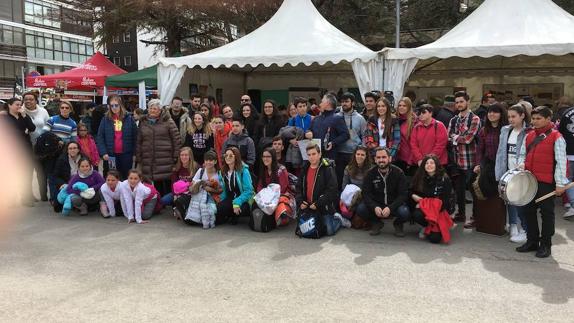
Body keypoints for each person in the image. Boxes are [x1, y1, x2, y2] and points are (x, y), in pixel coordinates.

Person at [516, 106, 569, 258]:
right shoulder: (530, 135)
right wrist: (521, 164)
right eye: (533, 118)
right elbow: (522, 154)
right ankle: (532, 241)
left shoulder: (557, 137)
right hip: (529, 180)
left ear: (548, 119)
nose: (535, 121)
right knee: (528, 211)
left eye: (539, 118)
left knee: (547, 214)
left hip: (546, 182)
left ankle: (546, 244)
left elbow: (561, 162)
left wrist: (560, 184)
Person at [495, 104, 530, 242]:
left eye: (514, 116)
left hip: (522, 172)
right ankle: (513, 225)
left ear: (522, 116)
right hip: (508, 171)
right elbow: (500, 152)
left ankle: (525, 228)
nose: (510, 119)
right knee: (510, 199)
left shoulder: (529, 131)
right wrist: (499, 172)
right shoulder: (505, 130)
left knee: (522, 200)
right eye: (509, 116)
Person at [296, 144, 348, 236]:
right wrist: (300, 201)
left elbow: (332, 190)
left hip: (323, 207)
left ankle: (338, 219)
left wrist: (318, 203)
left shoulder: (327, 168)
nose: (311, 157)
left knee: (329, 231)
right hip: (308, 207)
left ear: (319, 154)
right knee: (305, 230)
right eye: (309, 155)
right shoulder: (304, 168)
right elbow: (298, 188)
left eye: (314, 154)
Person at [469, 103, 508, 228]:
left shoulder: (507, 129)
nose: (491, 114)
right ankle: (478, 217)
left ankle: (503, 221)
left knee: (503, 193)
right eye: (490, 112)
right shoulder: (484, 130)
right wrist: (478, 164)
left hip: (503, 166)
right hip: (488, 164)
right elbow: (480, 149)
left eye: (495, 112)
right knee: (475, 186)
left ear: (501, 114)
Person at [360, 147, 410, 237]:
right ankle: (376, 222)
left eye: (384, 157)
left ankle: (398, 224)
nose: (381, 160)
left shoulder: (399, 173)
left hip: (394, 204)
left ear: (389, 158)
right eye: (378, 158)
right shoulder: (369, 173)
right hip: (377, 205)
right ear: (375, 159)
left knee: (404, 212)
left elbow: (403, 195)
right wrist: (374, 206)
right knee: (361, 209)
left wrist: (390, 207)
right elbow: (365, 194)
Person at [136, 99, 182, 196]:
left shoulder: (168, 121)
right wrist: (138, 156)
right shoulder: (143, 122)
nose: (152, 110)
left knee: (166, 182)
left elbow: (176, 140)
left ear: (160, 110)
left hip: (165, 158)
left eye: (155, 109)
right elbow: (139, 141)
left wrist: (176, 156)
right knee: (153, 182)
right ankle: (158, 203)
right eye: (151, 108)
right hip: (149, 157)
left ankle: (168, 203)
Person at [447, 91, 481, 223]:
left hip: (471, 160)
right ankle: (461, 214)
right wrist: (457, 138)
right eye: (457, 102)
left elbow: (468, 139)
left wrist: (455, 137)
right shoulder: (453, 119)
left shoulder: (475, 119)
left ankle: (476, 216)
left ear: (467, 102)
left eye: (461, 101)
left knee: (473, 190)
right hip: (457, 160)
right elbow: (448, 137)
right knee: (459, 191)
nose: (459, 104)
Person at [410, 155, 454, 243]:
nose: (429, 165)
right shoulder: (419, 177)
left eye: (432, 163)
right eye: (426, 163)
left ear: (437, 165)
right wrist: (413, 195)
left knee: (435, 239)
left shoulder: (444, 179)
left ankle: (438, 226)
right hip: (425, 209)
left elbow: (446, 201)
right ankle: (426, 226)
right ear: (423, 165)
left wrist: (422, 202)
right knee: (417, 214)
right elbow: (410, 191)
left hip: (439, 211)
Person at [1, 97, 36, 206]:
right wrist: (23, 132)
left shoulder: (24, 116)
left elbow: (32, 128)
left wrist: (25, 117)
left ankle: (26, 197)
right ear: (10, 105)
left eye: (20, 104)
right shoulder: (5, 118)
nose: (19, 107)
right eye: (17, 104)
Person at [96, 95, 138, 179]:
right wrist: (103, 152)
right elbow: (100, 137)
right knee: (111, 178)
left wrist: (134, 153)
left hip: (126, 154)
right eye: (112, 106)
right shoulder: (105, 119)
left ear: (121, 105)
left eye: (116, 105)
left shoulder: (129, 119)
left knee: (126, 178)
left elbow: (136, 138)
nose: (114, 107)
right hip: (110, 155)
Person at [178, 150, 222, 228]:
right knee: (179, 200)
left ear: (215, 161)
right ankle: (184, 214)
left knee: (215, 218)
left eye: (211, 160)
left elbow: (222, 190)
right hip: (198, 196)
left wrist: (210, 189)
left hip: (213, 198)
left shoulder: (219, 173)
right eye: (206, 160)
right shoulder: (201, 171)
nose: (208, 162)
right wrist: (201, 184)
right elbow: (193, 184)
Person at [335, 92, 367, 190]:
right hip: (339, 153)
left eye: (347, 101)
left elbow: (364, 136)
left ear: (352, 103)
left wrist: (362, 151)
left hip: (353, 154)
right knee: (339, 179)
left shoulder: (360, 118)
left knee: (353, 179)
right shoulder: (336, 116)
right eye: (342, 102)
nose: (344, 104)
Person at [23, 92, 50, 201]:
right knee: (27, 173)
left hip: (41, 147)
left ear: (36, 101)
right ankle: (29, 195)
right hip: (26, 147)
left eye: (31, 99)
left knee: (42, 172)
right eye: (26, 99)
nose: (28, 101)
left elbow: (48, 125)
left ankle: (43, 195)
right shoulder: (21, 111)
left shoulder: (43, 111)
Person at [305, 93, 349, 160]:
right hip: (314, 158)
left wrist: (333, 143)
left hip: (329, 158)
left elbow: (346, 135)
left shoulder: (337, 118)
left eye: (322, 102)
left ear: (327, 103)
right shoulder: (316, 118)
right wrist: (308, 133)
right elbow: (308, 130)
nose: (320, 104)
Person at [217, 147, 254, 225]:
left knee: (242, 209)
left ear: (236, 157)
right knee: (220, 208)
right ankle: (231, 215)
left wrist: (237, 202)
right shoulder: (223, 172)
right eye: (226, 155)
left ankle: (236, 215)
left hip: (243, 199)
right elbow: (223, 190)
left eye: (231, 156)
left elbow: (249, 191)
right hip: (230, 198)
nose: (228, 157)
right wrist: (221, 201)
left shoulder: (243, 171)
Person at [51, 142, 84, 209]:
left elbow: (90, 172)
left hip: (82, 182)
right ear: (67, 150)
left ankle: (81, 204)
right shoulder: (61, 159)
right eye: (70, 148)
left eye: (75, 148)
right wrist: (62, 184)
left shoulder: (84, 158)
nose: (72, 150)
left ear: (78, 149)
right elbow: (55, 176)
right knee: (58, 206)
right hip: (67, 183)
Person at [559, 104, 574, 220]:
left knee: (568, 180)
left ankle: (573, 205)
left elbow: (561, 132)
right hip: (569, 153)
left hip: (569, 152)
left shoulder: (567, 113)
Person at [395, 97, 417, 175]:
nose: (401, 107)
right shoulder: (395, 119)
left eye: (404, 106)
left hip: (408, 159)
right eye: (400, 105)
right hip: (395, 156)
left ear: (409, 107)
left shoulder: (414, 121)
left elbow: (415, 143)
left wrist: (410, 160)